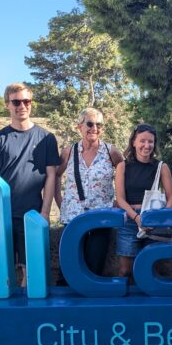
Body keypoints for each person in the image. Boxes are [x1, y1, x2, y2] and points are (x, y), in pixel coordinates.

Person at [0, 82, 60, 285]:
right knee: (3, 273)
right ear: (7, 104)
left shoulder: (46, 138)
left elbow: (51, 176)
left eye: (26, 101)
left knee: (31, 272)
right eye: (16, 102)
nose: (22, 106)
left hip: (32, 215)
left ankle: (28, 307)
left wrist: (45, 212)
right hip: (3, 216)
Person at [56, 108, 123, 276]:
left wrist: (119, 200)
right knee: (69, 268)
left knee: (94, 268)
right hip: (73, 217)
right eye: (90, 124)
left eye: (99, 125)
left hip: (101, 218)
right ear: (80, 126)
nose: (94, 128)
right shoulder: (69, 152)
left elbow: (125, 173)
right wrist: (59, 201)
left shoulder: (111, 152)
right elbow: (56, 175)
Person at [114, 124, 172, 281]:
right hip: (130, 219)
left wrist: (159, 219)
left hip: (153, 220)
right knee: (125, 270)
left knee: (150, 269)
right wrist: (137, 218)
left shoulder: (161, 167)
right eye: (142, 141)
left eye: (151, 141)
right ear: (134, 142)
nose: (147, 145)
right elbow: (120, 199)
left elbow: (171, 198)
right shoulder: (122, 166)